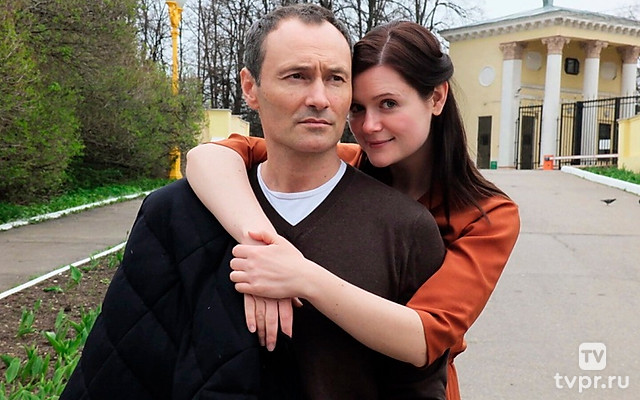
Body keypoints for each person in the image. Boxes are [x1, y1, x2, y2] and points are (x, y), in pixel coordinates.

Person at [62, 5, 448, 400]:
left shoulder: (405, 229)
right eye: (297, 76)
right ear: (250, 88)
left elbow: (420, 386)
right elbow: (123, 370)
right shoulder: (176, 214)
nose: (319, 98)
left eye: (336, 78)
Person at [185, 20, 521, 400]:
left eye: (388, 104)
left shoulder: (487, 216)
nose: (369, 126)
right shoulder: (344, 164)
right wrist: (261, 245)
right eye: (358, 108)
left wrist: (301, 276)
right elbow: (209, 157)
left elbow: (423, 337)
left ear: (437, 98)